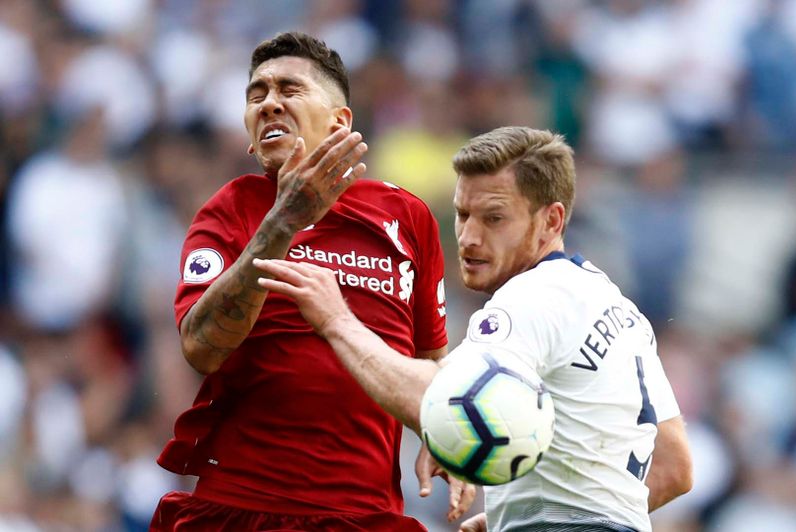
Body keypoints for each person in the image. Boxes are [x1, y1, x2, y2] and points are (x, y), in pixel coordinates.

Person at [255, 126, 694, 531]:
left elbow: (440, 398)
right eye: (463, 214)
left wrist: (336, 320)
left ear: (552, 221)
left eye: (494, 218)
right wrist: (524, 518)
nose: (468, 237)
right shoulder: (614, 305)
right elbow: (674, 468)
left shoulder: (530, 298)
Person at [151, 32, 473, 531]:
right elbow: (200, 348)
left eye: (289, 90)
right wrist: (281, 224)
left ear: (340, 121)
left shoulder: (406, 216)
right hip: (243, 507)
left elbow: (430, 363)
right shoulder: (229, 210)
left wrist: (442, 437)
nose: (270, 103)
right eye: (256, 95)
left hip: (364, 514)